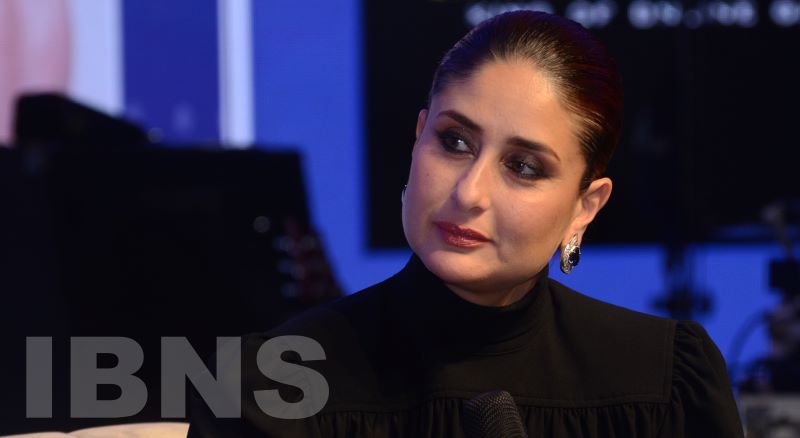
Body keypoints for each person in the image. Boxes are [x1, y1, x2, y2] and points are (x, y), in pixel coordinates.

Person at [187, 11, 744, 437]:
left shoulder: (664, 383)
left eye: (523, 167)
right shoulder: (271, 382)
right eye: (454, 142)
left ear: (585, 207)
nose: (469, 192)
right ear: (418, 137)